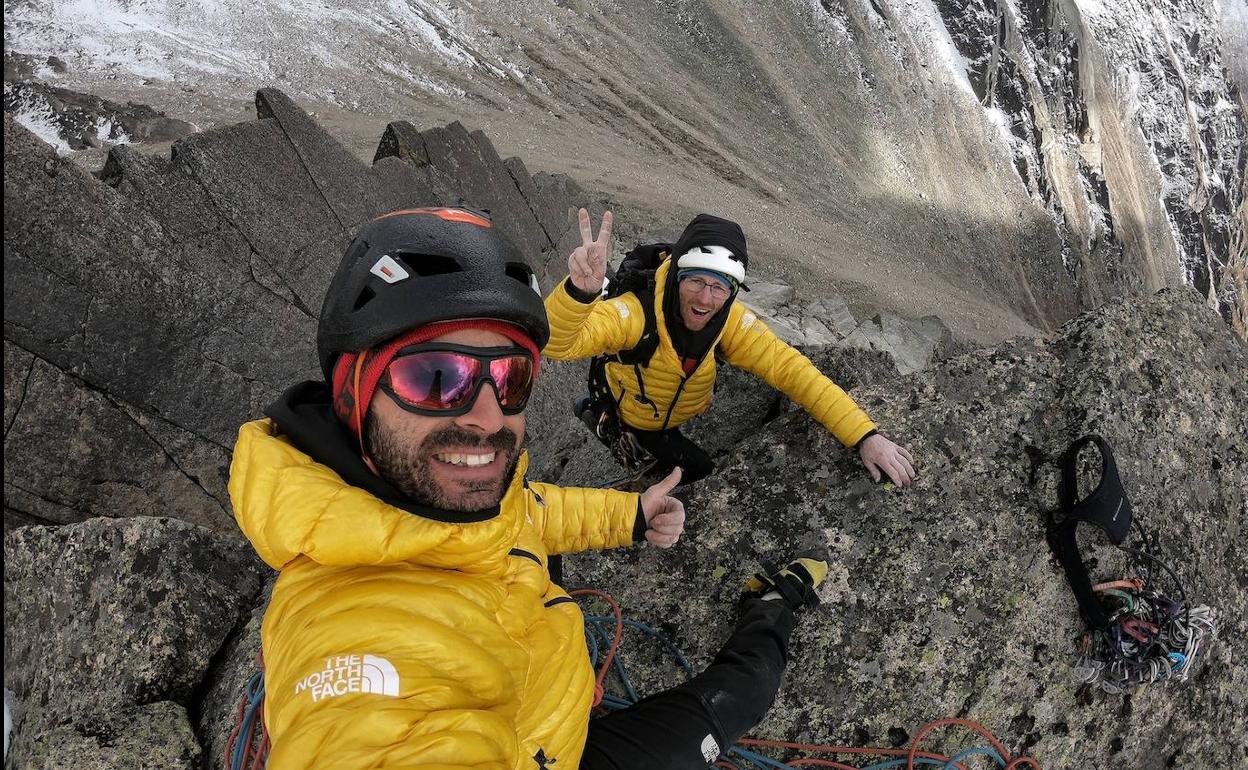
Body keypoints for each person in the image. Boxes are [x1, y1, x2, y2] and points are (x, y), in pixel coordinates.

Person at [228, 207, 829, 770]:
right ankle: (779, 603)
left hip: (544, 693)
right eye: (435, 377)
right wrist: (581, 296)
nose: (488, 419)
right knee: (743, 694)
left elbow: (523, 510)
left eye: (510, 377)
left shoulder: (433, 492)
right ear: (350, 392)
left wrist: (630, 518)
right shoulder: (351, 628)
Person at [545, 209, 916, 487]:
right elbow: (557, 344)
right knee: (699, 470)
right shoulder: (635, 315)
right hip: (641, 416)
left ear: (733, 290)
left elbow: (794, 373)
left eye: (719, 286)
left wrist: (865, 435)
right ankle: (599, 418)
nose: (706, 298)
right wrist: (580, 292)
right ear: (676, 276)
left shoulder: (731, 323)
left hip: (678, 406)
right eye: (696, 281)